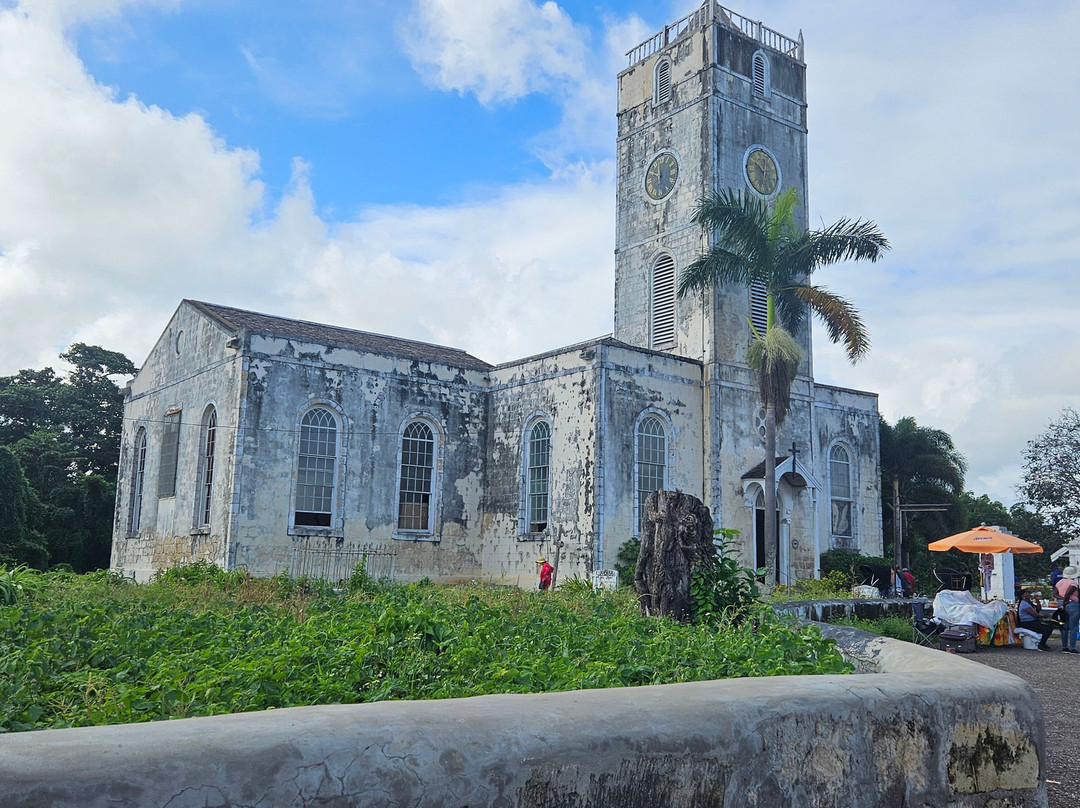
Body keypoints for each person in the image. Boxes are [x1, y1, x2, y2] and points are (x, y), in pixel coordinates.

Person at [1053, 565, 1080, 654]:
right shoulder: (1073, 583)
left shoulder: (1059, 582)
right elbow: (1069, 593)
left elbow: (1054, 594)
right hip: (1072, 604)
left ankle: (1065, 646)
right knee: (1073, 627)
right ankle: (1072, 647)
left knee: (1064, 626)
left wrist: (1061, 600)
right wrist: (1065, 600)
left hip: (1061, 603)